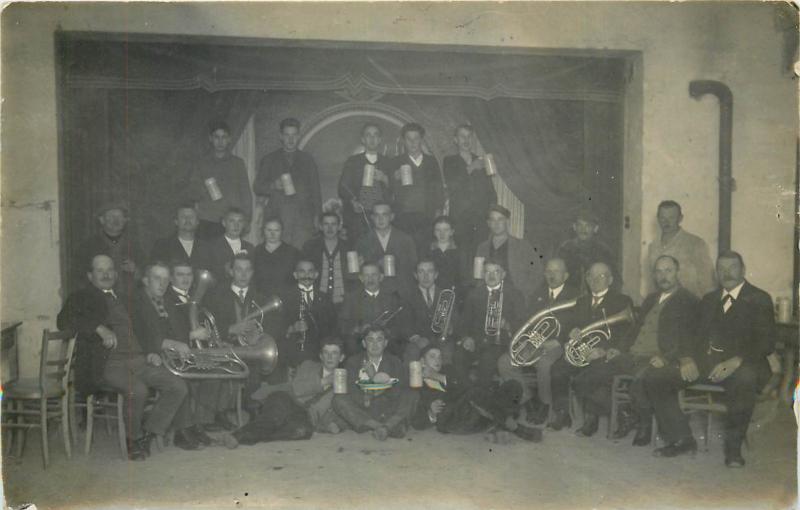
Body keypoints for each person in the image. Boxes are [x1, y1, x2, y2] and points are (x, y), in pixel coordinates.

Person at [646, 251, 775, 467]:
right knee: (657, 378)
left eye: (732, 267)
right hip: (708, 365)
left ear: (743, 270)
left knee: (744, 380)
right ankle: (682, 439)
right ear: (716, 273)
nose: (727, 273)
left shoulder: (760, 298)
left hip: (746, 365)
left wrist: (735, 361)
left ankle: (733, 451)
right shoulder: (709, 300)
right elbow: (692, 336)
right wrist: (687, 358)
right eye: (721, 268)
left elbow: (766, 342)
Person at [57, 255, 189, 460]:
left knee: (177, 386)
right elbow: (63, 320)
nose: (106, 274)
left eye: (110, 270)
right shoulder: (81, 296)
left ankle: (149, 432)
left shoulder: (127, 297)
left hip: (139, 359)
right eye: (100, 270)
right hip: (109, 364)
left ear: (116, 274)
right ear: (90, 275)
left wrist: (151, 351)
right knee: (138, 390)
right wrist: (98, 328)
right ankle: (132, 438)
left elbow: (143, 329)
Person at [130, 261, 214, 450]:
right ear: (145, 280)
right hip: (146, 358)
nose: (162, 284)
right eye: (156, 278)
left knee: (209, 368)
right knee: (180, 381)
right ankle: (157, 431)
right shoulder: (136, 302)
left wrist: (190, 336)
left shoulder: (167, 300)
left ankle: (191, 426)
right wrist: (165, 346)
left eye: (166, 280)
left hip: (168, 356)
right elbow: (139, 335)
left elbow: (178, 332)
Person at [547, 262, 634, 434]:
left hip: (605, 354)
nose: (595, 280)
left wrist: (604, 349)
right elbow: (568, 328)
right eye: (591, 276)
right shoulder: (581, 301)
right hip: (582, 352)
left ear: (610, 280)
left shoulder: (622, 300)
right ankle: (563, 413)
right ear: (586, 279)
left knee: (587, 377)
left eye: (601, 276)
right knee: (557, 369)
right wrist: (571, 333)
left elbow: (628, 332)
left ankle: (593, 418)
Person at [164, 259, 237, 433]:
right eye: (180, 275)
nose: (185, 278)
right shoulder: (167, 299)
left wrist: (216, 339)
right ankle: (202, 422)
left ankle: (217, 414)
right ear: (171, 278)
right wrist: (191, 335)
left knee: (228, 365)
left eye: (188, 274)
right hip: (177, 355)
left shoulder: (196, 299)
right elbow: (164, 332)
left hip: (196, 351)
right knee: (215, 373)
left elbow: (208, 323)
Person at [412, 345, 542, 442]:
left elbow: (465, 385)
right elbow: (415, 422)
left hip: (479, 412)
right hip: (456, 420)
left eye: (440, 356)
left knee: (513, 385)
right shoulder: (416, 382)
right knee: (475, 393)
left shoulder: (448, 370)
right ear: (422, 362)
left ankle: (498, 424)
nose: (437, 360)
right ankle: (515, 428)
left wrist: (438, 376)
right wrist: (431, 412)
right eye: (432, 356)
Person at [507, 257, 579, 424]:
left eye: (556, 271)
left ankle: (546, 407)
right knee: (506, 362)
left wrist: (560, 341)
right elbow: (528, 321)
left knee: (544, 364)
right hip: (536, 342)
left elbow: (578, 324)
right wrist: (531, 340)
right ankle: (529, 400)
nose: (551, 275)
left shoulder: (576, 295)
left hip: (559, 345)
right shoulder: (537, 294)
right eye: (548, 271)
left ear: (566, 275)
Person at [204, 253, 283, 400]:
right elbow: (207, 324)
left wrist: (259, 336)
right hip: (225, 349)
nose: (243, 274)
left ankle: (254, 407)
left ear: (252, 273)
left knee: (269, 371)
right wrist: (230, 329)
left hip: (253, 350)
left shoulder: (261, 297)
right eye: (239, 269)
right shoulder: (216, 296)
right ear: (231, 271)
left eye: (247, 270)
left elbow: (274, 326)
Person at [332, 326, 419, 440]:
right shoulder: (353, 362)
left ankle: (385, 426)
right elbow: (352, 391)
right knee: (338, 399)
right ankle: (384, 427)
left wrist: (374, 384)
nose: (375, 344)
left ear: (385, 343)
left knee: (412, 394)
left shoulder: (395, 361)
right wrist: (368, 396)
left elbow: (398, 391)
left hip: (388, 409)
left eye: (379, 339)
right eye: (370, 340)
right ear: (364, 343)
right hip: (365, 410)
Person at [454, 259, 526, 386]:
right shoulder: (474, 294)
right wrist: (466, 338)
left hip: (502, 343)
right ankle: (467, 393)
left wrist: (508, 325)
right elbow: (463, 323)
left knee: (487, 360)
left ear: (504, 275)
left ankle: (481, 398)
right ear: (482, 274)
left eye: (496, 272)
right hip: (477, 342)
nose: (491, 276)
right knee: (458, 357)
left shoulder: (514, 294)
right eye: (487, 272)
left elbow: (524, 323)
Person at [253, 117, 322, 248]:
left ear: (299, 136)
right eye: (287, 135)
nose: (291, 139)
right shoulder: (269, 159)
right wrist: (273, 185)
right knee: (278, 259)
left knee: (301, 260)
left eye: (294, 135)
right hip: (278, 220)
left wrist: (318, 217)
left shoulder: (308, 160)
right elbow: (257, 187)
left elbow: (316, 192)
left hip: (302, 222)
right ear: (280, 136)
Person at [188, 121, 253, 240]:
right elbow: (192, 193)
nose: (220, 141)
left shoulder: (237, 163)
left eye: (224, 137)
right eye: (216, 137)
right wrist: (204, 188)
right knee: (207, 256)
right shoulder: (201, 163)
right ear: (210, 139)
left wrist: (247, 219)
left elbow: (246, 194)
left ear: (229, 139)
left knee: (230, 256)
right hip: (207, 219)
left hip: (231, 221)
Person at [441, 124, 497, 258]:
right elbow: (452, 185)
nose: (466, 140)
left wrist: (491, 214)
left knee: (481, 255)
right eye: (462, 136)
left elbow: (490, 191)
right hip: (461, 218)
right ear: (455, 140)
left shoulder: (481, 160)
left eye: (469, 136)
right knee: (463, 255)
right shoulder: (449, 161)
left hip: (481, 218)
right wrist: (471, 168)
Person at [388, 122, 445, 252]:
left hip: (426, 215)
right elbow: (389, 191)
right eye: (409, 139)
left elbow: (439, 189)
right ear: (404, 141)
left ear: (421, 140)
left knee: (424, 251)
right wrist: (394, 179)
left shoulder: (431, 161)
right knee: (405, 253)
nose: (413, 143)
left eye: (416, 138)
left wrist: (438, 211)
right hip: (403, 217)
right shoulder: (395, 162)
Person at [646, 200, 715, 298]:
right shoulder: (653, 247)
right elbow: (652, 282)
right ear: (657, 219)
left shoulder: (695, 243)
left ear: (680, 218)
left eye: (671, 217)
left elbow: (708, 281)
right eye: (662, 218)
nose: (666, 222)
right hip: (662, 304)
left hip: (690, 304)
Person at [475, 204, 542, 305]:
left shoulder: (522, 246)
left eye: (500, 219)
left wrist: (525, 293)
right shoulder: (482, 248)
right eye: (493, 220)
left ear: (507, 221)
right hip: (489, 300)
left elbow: (537, 272)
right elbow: (478, 277)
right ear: (488, 223)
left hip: (515, 301)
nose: (496, 223)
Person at [277, 259, 337, 371]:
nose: (306, 275)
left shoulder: (325, 298)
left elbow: (332, 328)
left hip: (319, 356)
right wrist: (292, 328)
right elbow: (276, 327)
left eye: (310, 271)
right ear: (295, 275)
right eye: (302, 271)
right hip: (293, 355)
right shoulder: (284, 297)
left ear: (316, 274)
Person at [73, 201, 144, 294]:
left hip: (130, 299)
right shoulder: (88, 246)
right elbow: (79, 277)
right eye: (111, 216)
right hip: (99, 299)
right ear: (102, 220)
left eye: (120, 216)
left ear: (125, 220)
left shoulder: (134, 245)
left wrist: (136, 270)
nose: (116, 220)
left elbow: (147, 274)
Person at [337, 123, 392, 242]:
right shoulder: (353, 161)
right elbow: (343, 187)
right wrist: (352, 201)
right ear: (363, 139)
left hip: (381, 216)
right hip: (359, 216)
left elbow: (397, 191)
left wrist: (385, 179)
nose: (372, 139)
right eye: (368, 135)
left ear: (380, 140)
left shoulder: (388, 162)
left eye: (375, 135)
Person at [401, 259, 459, 365]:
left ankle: (444, 380)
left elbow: (455, 318)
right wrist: (416, 338)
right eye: (421, 272)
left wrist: (449, 327)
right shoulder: (407, 296)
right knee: (412, 353)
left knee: (447, 353)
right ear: (415, 275)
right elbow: (405, 323)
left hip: (442, 339)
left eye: (430, 271)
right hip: (418, 340)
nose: (426, 276)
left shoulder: (446, 294)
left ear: (436, 275)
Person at [339, 262, 405, 356]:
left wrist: (387, 332)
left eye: (374, 275)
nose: (370, 279)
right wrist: (358, 329)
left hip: (386, 341)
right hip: (360, 341)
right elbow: (342, 324)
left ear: (381, 277)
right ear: (361, 278)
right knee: (351, 346)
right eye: (366, 275)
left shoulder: (392, 297)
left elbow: (400, 323)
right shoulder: (351, 297)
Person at [355, 202, 417, 297]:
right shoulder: (363, 241)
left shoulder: (406, 239)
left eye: (384, 214)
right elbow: (359, 272)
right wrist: (377, 265)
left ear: (391, 217)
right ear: (372, 217)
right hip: (374, 295)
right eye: (377, 215)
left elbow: (413, 268)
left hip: (401, 293)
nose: (380, 219)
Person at [290, 337, 349, 434]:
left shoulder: (344, 379)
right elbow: (295, 389)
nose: (329, 357)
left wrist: (333, 425)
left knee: (300, 429)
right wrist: (324, 381)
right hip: (291, 405)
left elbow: (344, 410)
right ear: (321, 356)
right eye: (326, 353)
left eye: (334, 353)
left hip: (308, 418)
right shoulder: (308, 366)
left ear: (341, 357)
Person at [302, 211, 357, 307]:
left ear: (339, 226)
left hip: (343, 302)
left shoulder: (349, 247)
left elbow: (354, 276)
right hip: (318, 302)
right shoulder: (310, 247)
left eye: (333, 224)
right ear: (320, 226)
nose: (330, 228)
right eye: (326, 224)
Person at [556, 209, 617, 294]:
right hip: (568, 295)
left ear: (595, 228)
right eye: (579, 225)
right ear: (574, 227)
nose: (583, 229)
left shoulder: (603, 251)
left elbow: (613, 278)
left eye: (588, 226)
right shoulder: (566, 249)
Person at [150, 203, 211, 271]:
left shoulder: (207, 247)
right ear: (176, 221)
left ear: (197, 222)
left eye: (191, 217)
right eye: (183, 216)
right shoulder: (163, 245)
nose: (188, 220)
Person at [424, 215, 470, 303]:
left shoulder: (460, 252)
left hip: (454, 296)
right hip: (432, 295)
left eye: (446, 230)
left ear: (452, 232)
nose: (442, 234)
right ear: (434, 232)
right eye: (438, 230)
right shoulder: (427, 251)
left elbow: (464, 279)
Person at [252, 217, 301, 297]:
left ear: (282, 231)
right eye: (269, 230)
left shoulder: (293, 252)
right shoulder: (256, 252)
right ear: (263, 231)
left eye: (276, 230)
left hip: (286, 299)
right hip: (261, 299)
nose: (272, 234)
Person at [205, 207, 254, 283]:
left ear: (244, 224)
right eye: (232, 221)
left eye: (240, 221)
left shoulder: (250, 247)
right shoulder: (212, 246)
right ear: (224, 223)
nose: (236, 225)